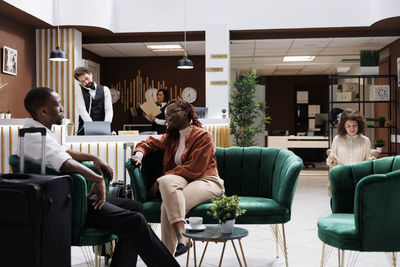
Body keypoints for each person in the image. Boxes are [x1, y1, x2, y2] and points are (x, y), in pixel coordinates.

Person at [19, 87, 179, 267]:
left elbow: (63, 152)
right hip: (68, 204)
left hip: (72, 197)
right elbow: (66, 163)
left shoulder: (36, 131)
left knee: (135, 207)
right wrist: (97, 179)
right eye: (58, 104)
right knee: (135, 221)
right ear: (43, 111)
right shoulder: (36, 136)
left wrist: (92, 157)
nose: (62, 108)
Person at [131, 99, 225, 257]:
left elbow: (195, 169)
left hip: (206, 180)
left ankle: (165, 257)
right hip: (183, 179)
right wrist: (139, 155)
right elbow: (148, 143)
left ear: (186, 111)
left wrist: (159, 181)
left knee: (167, 205)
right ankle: (182, 239)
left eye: (172, 113)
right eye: (167, 115)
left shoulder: (203, 136)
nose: (169, 117)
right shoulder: (172, 138)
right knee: (167, 182)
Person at [74, 67, 113, 135]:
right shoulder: (79, 90)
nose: (86, 82)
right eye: (82, 81)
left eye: (87, 78)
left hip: (103, 127)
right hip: (85, 127)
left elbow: (108, 109)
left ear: (91, 75)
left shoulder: (105, 89)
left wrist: (106, 125)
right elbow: (81, 110)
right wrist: (91, 127)